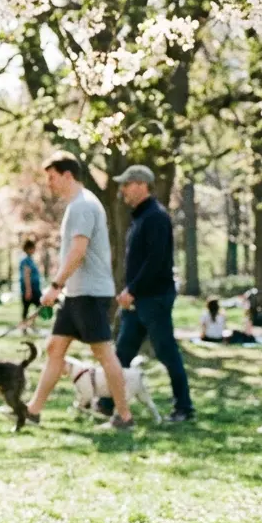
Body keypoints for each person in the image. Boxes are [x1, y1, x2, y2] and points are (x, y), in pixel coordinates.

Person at [24, 151, 134, 430]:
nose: (49, 184)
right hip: (76, 294)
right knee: (55, 348)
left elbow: (78, 250)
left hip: (90, 294)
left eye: (52, 178)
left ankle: (124, 416)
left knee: (104, 354)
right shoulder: (78, 205)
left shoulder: (83, 205)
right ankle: (33, 411)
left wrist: (55, 286)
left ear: (67, 175)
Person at [97, 165, 194, 422]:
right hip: (138, 301)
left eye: (126, 185)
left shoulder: (155, 217)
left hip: (154, 299)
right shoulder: (140, 217)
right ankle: (108, 402)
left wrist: (132, 290)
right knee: (123, 351)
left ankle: (184, 407)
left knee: (166, 351)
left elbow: (156, 261)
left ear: (141, 184)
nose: (122, 190)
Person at [18, 239, 42, 333]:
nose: (34, 250)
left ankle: (30, 323)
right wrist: (28, 290)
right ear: (28, 249)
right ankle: (24, 327)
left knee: (40, 307)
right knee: (27, 308)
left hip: (35, 288)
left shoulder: (31, 260)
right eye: (33, 248)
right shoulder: (25, 261)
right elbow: (26, 275)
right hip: (30, 289)